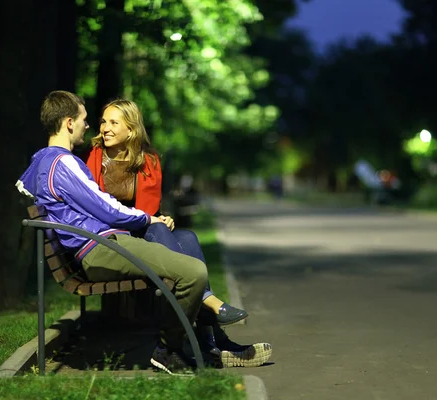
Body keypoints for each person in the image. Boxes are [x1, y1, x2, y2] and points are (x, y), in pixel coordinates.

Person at [16, 90, 208, 375]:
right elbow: (107, 209)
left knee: (185, 244)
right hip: (99, 247)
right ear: (69, 123)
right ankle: (169, 349)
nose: (88, 126)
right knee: (194, 273)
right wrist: (148, 218)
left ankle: (202, 337)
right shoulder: (64, 163)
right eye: (83, 119)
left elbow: (25, 187)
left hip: (99, 244)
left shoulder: (42, 160)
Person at [85, 99, 272, 367]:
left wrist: (156, 219)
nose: (105, 128)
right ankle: (212, 323)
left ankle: (209, 339)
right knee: (161, 227)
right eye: (104, 121)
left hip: (143, 231)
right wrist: (155, 220)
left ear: (131, 128)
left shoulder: (148, 160)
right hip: (114, 238)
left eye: (114, 122)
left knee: (189, 238)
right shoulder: (94, 157)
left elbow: (148, 208)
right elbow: (97, 207)